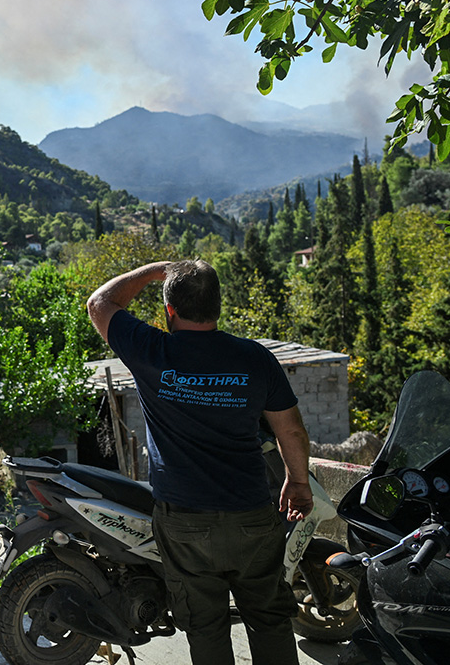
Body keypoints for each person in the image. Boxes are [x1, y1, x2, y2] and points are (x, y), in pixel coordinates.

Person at [86, 259, 312, 665]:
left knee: (205, 627)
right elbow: (291, 431)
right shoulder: (255, 359)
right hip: (252, 515)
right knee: (270, 620)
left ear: (170, 310)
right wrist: (298, 482)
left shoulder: (150, 349)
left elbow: (100, 302)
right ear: (218, 306)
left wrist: (155, 270)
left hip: (184, 521)